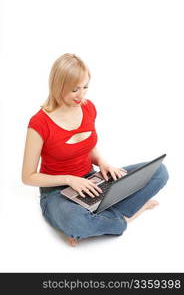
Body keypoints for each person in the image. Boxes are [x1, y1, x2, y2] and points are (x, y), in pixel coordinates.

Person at [22, 53, 169, 246]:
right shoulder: (39, 123)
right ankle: (126, 216)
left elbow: (87, 146)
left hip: (93, 182)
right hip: (57, 193)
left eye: (85, 87)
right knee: (75, 221)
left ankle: (98, 220)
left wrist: (102, 163)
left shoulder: (88, 108)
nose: (81, 95)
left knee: (159, 172)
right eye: (75, 89)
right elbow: (28, 176)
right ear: (58, 86)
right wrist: (69, 179)